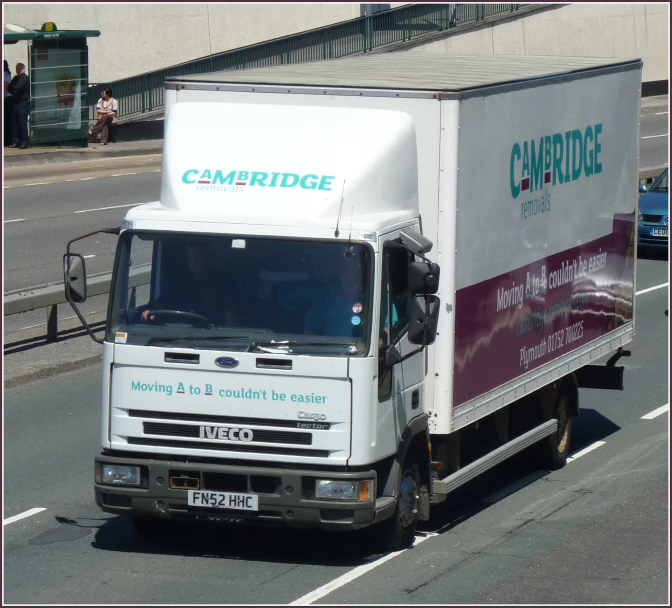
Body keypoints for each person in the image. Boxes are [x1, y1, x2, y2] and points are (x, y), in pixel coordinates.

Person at [141, 243, 237, 325]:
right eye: (190, 258)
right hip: (178, 334)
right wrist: (149, 312)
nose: (193, 262)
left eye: (198, 258)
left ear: (209, 258)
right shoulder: (179, 281)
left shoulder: (224, 283)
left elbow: (230, 319)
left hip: (213, 336)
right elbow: (161, 305)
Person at [303, 251, 367, 338]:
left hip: (363, 350)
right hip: (330, 350)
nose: (346, 272)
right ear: (338, 271)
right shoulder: (325, 298)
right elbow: (309, 331)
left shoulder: (372, 296)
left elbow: (386, 329)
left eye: (351, 267)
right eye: (343, 267)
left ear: (361, 270)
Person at [7, 63, 29, 149]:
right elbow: (9, 87)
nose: (18, 70)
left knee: (22, 123)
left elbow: (19, 87)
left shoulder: (25, 78)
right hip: (15, 102)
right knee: (14, 123)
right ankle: (16, 141)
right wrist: (14, 90)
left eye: (19, 68)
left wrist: (14, 89)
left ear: (23, 69)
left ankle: (24, 142)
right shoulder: (16, 78)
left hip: (22, 102)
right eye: (17, 68)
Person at [4, 60, 13, 147]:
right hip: (8, 99)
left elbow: (4, 89)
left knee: (5, 121)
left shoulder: (4, 74)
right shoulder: (7, 73)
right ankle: (8, 140)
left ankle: (6, 141)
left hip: (6, 100)